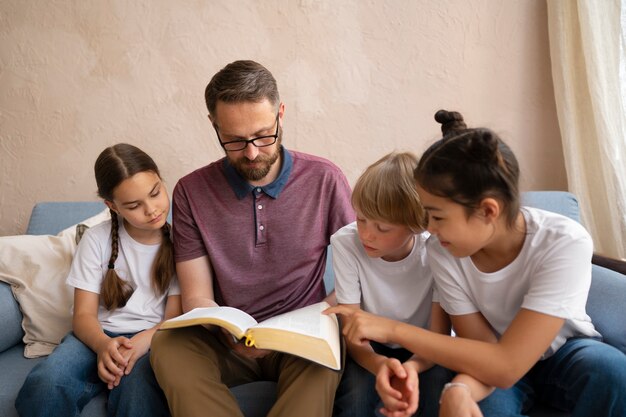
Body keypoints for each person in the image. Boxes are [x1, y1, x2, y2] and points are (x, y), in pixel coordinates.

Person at [327, 110, 626, 417]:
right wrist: (460, 388)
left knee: (612, 372)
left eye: (437, 217)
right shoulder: (442, 251)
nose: (427, 227)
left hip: (563, 353)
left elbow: (508, 364)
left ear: (488, 211)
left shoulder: (564, 242)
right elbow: (482, 350)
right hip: (486, 360)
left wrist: (391, 330)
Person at [149, 60, 354, 417]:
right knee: (168, 344)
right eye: (235, 140)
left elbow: (357, 278)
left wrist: (314, 317)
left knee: (328, 349)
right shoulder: (191, 191)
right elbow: (196, 294)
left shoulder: (325, 179)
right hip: (225, 342)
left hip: (301, 340)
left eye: (263, 135)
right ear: (214, 125)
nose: (252, 152)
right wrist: (229, 331)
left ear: (281, 115)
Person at [15, 143, 181, 417]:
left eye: (155, 193)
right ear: (112, 206)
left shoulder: (181, 243)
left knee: (139, 396)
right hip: (95, 338)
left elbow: (172, 321)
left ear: (161, 181)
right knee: (46, 384)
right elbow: (83, 316)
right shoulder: (96, 240)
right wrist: (103, 345)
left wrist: (139, 344)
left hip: (152, 340)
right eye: (134, 205)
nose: (151, 210)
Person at [331, 151, 451, 417]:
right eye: (360, 219)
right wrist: (380, 364)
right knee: (355, 400)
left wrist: (412, 368)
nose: (366, 234)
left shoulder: (438, 251)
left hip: (427, 346)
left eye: (382, 228)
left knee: (434, 397)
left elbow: (439, 335)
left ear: (415, 225)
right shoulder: (345, 243)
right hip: (369, 347)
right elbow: (353, 334)